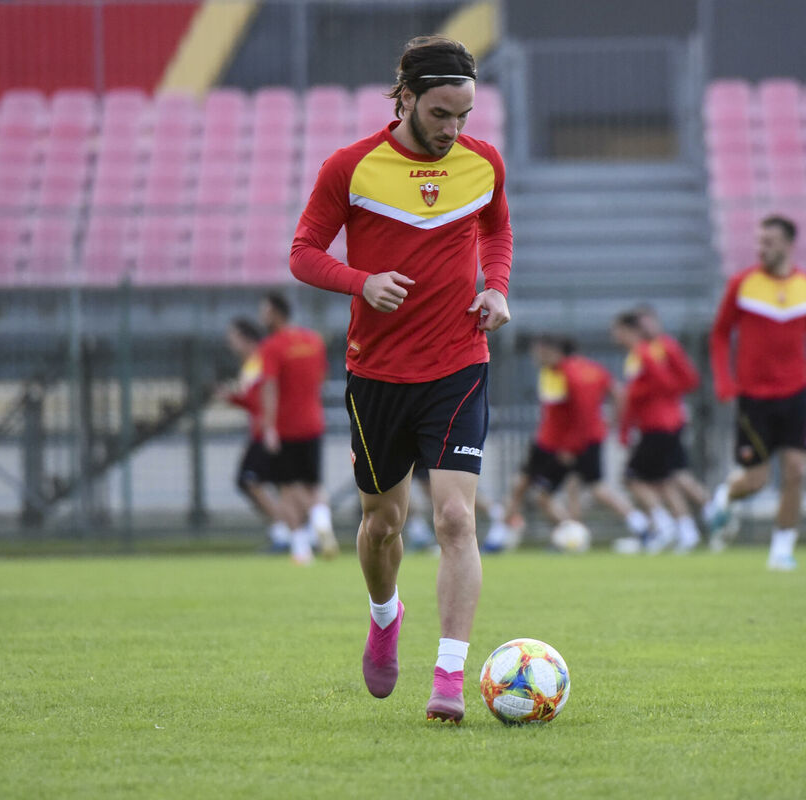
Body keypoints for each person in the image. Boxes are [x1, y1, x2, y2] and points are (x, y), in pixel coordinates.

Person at [290, 35, 512, 723]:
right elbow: (303, 253)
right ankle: (385, 614)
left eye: (464, 116)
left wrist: (496, 287)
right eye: (441, 114)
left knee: (455, 519)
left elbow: (496, 232)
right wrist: (361, 281)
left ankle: (449, 677)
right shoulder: (351, 167)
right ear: (407, 98)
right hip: (378, 373)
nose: (453, 130)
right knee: (382, 524)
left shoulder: (483, 163)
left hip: (458, 364)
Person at [705, 215, 806, 571]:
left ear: (788, 245)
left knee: (797, 470)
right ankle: (726, 494)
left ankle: (781, 549)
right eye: (759, 241)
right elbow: (719, 335)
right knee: (756, 480)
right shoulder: (743, 284)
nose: (761, 248)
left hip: (796, 393)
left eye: (768, 242)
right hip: (753, 398)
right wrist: (724, 380)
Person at [484, 335, 640, 552]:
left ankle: (504, 536)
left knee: (540, 491)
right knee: (569, 488)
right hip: (560, 441)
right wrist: (608, 424)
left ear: (554, 351)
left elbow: (583, 412)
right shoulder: (575, 369)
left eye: (540, 351)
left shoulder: (568, 373)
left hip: (560, 444)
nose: (535, 356)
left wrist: (573, 445)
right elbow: (614, 392)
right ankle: (571, 533)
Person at [612, 312, 702, 554]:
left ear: (630, 331)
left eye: (618, 331)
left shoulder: (646, 352)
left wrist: (640, 394)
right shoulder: (640, 354)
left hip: (660, 425)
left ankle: (666, 526)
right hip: (658, 424)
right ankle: (686, 531)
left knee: (632, 477)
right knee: (664, 479)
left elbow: (666, 384)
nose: (615, 337)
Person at [257, 292, 336, 561]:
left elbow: (270, 387)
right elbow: (323, 377)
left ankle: (301, 549)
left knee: (288, 488)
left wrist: (269, 427)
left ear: (276, 313)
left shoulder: (272, 346)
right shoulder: (313, 340)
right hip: (313, 422)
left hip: (286, 428)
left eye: (264, 311)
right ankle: (322, 522)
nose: (261, 316)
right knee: (314, 485)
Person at [222, 317, 294, 556]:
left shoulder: (261, 360)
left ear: (246, 339)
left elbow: (262, 398)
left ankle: (287, 532)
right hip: (265, 431)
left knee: (250, 480)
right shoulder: (252, 363)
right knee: (279, 485)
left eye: (233, 338)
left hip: (267, 432)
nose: (230, 344)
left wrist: (233, 398)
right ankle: (288, 532)